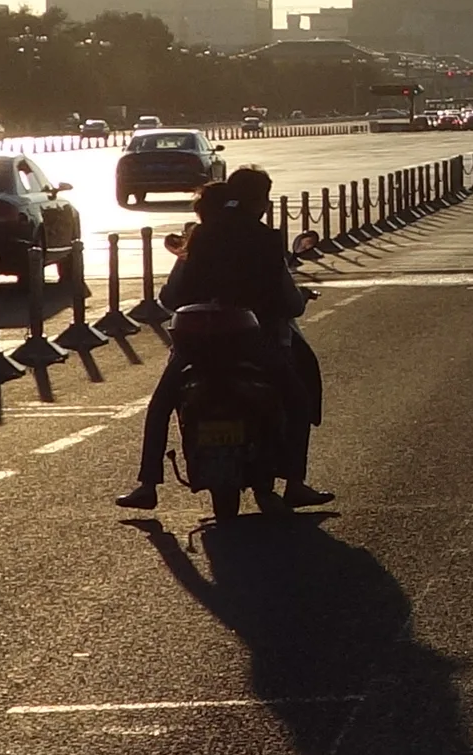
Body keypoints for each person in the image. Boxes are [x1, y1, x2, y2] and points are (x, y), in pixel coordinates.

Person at [114, 167, 326, 512]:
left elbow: (171, 297)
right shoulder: (265, 238)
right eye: (264, 198)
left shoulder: (202, 235)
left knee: (162, 402)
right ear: (255, 200)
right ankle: (295, 482)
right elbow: (286, 302)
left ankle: (147, 484)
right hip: (251, 342)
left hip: (195, 346)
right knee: (297, 396)